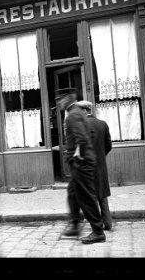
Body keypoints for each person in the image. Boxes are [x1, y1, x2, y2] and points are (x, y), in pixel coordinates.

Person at [57, 89, 106, 244]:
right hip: (83, 162)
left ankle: (98, 231)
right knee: (72, 192)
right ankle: (75, 224)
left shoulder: (73, 115)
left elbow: (83, 140)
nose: (58, 102)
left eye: (60, 99)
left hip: (82, 164)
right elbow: (87, 136)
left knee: (86, 197)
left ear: (68, 99)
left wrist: (78, 159)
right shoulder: (77, 112)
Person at [75, 100, 113, 231]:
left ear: (85, 111)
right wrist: (101, 156)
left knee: (90, 196)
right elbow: (108, 145)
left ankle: (97, 226)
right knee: (102, 195)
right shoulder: (103, 124)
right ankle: (108, 223)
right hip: (101, 166)